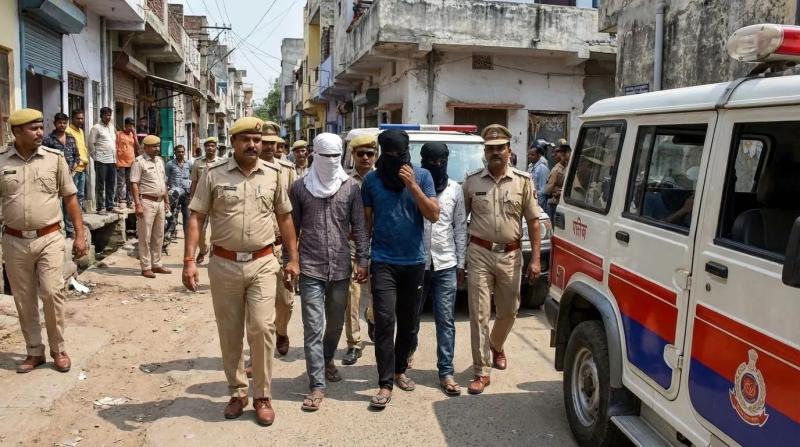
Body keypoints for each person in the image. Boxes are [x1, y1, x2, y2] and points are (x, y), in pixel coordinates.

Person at [183, 117, 299, 426]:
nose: (252, 145)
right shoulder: (213, 174)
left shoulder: (274, 174)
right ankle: (237, 392)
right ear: (233, 142)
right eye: (246, 139)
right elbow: (196, 217)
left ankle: (262, 395)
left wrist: (293, 258)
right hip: (224, 264)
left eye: (257, 140)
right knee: (230, 331)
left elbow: (285, 218)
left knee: (262, 328)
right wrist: (189, 260)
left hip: (263, 262)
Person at [1, 108, 87, 373]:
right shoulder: (2, 161)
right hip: (14, 240)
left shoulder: (54, 158)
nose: (40, 132)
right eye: (33, 128)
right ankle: (34, 351)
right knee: (23, 298)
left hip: (49, 237)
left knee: (51, 292)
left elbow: (70, 198)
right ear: (17, 131)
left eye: (41, 127)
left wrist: (80, 235)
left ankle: (58, 349)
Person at [289, 133, 369, 411]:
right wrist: (290, 261)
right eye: (326, 156)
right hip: (310, 267)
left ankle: (326, 359)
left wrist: (363, 259)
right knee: (313, 327)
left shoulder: (350, 188)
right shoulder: (299, 188)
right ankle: (317, 384)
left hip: (340, 267)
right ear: (315, 156)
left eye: (336, 156)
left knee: (335, 324)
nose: (331, 161)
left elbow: (359, 227)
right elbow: (291, 229)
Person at [361, 129, 439, 409]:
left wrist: (412, 186)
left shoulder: (423, 176)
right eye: (390, 154)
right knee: (384, 321)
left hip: (414, 261)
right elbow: (366, 225)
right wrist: (362, 259)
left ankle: (400, 371)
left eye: (401, 154)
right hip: (383, 260)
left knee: (409, 323)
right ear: (382, 153)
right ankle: (385, 383)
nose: (396, 158)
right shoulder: (371, 180)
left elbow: (433, 214)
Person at [462, 124, 541, 395]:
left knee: (509, 310)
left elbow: (533, 222)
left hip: (511, 254)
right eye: (490, 148)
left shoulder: (523, 181)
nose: (495, 152)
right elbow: (460, 222)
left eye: (500, 148)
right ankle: (481, 371)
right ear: (484, 152)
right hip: (479, 253)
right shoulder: (471, 181)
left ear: (509, 150)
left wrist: (536, 259)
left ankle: (496, 344)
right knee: (479, 313)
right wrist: (460, 259)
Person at [409, 142, 467, 395]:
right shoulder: (413, 187)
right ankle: (406, 356)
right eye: (432, 161)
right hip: (416, 263)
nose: (437, 165)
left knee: (446, 321)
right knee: (411, 317)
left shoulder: (455, 189)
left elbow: (460, 228)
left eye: (442, 161)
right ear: (423, 161)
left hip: (446, 263)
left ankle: (446, 372)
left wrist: (461, 264)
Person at [259, 122, 296, 356]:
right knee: (257, 306)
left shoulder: (287, 170)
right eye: (265, 142)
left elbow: (294, 210)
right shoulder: (246, 169)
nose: (269, 147)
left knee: (285, 300)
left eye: (273, 143)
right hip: (258, 247)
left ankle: (281, 331)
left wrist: (295, 250)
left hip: (281, 246)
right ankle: (258, 353)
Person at [342, 134, 377, 366]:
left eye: (369, 153)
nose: (365, 157)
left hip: (380, 246)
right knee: (352, 297)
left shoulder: (383, 179)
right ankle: (353, 343)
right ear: (353, 155)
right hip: (353, 246)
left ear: (375, 155)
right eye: (360, 153)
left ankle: (371, 318)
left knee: (378, 297)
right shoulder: (344, 181)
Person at [131, 135, 170, 278]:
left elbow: (163, 182)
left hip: (160, 202)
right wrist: (137, 204)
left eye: (158, 146)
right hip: (146, 202)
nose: (157, 149)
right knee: (145, 236)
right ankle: (146, 266)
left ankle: (157, 264)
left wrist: (166, 201)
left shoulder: (160, 161)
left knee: (159, 235)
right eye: (154, 146)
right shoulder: (139, 162)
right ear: (146, 147)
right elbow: (134, 184)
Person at [42, 113, 79, 238]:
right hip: (54, 177)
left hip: (70, 176)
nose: (62, 125)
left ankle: (70, 230)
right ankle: (57, 229)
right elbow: (44, 158)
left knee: (70, 203)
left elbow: (77, 156)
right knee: (55, 203)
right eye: (60, 123)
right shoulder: (48, 140)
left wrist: (73, 167)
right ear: (55, 124)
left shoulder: (71, 138)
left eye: (64, 123)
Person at [189, 137, 219, 263]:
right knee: (200, 230)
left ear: (216, 147)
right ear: (204, 148)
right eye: (208, 146)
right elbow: (194, 182)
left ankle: (215, 253)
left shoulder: (222, 162)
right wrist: (191, 198)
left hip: (217, 200)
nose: (210, 148)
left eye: (212, 146)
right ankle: (203, 249)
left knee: (218, 229)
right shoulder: (198, 163)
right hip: (201, 200)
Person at [88, 107, 117, 215]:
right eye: (106, 115)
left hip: (112, 160)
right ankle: (100, 207)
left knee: (111, 184)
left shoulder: (111, 127)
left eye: (109, 115)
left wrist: (115, 159)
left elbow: (113, 143)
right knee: (100, 185)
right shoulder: (96, 128)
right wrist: (95, 157)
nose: (108, 117)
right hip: (101, 160)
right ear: (101, 116)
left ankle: (110, 206)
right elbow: (90, 143)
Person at [165, 145, 192, 240]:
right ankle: (169, 233)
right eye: (178, 152)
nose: (180, 153)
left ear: (184, 152)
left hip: (186, 193)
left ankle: (187, 237)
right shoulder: (170, 164)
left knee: (187, 215)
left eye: (182, 152)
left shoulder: (189, 164)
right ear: (175, 153)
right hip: (174, 194)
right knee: (171, 215)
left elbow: (192, 177)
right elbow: (166, 180)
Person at [65, 109, 90, 210]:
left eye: (82, 119)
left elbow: (82, 148)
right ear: (72, 119)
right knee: (72, 195)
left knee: (80, 194)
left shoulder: (81, 131)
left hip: (82, 168)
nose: (80, 121)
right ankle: (70, 218)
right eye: (78, 118)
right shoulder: (68, 131)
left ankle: (78, 216)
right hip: (74, 168)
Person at [116, 117, 140, 211]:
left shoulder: (132, 135)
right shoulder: (119, 134)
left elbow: (138, 148)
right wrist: (115, 160)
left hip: (131, 162)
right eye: (129, 125)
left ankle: (130, 201)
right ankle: (122, 200)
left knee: (130, 182)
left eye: (132, 126)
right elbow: (115, 147)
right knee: (121, 183)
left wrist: (135, 135)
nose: (131, 127)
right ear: (125, 125)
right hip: (121, 162)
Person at [545, 140, 570, 217]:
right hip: (554, 202)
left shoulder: (559, 169)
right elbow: (548, 190)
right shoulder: (558, 168)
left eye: (557, 152)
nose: (554, 155)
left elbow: (548, 190)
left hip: (558, 204)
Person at [528, 139, 551, 212]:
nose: (530, 156)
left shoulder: (542, 168)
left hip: (539, 204)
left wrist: (538, 205)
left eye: (532, 155)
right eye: (529, 154)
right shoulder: (532, 166)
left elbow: (543, 190)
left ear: (539, 155)